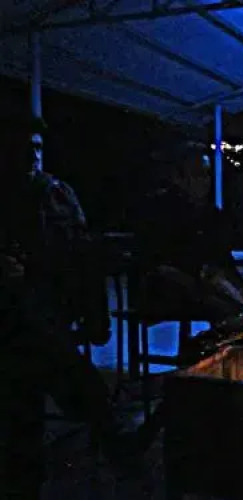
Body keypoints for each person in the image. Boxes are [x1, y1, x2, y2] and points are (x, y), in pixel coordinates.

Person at [0, 118, 144, 498]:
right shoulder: (24, 195)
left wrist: (91, 312)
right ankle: (111, 435)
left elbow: (79, 256)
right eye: (21, 147)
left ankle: (104, 432)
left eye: (35, 147)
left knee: (33, 357)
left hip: (41, 313)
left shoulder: (53, 194)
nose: (31, 155)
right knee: (36, 360)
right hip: (22, 320)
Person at [132, 141, 243, 357]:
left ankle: (216, 351)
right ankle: (206, 350)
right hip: (169, 286)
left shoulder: (212, 215)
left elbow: (222, 258)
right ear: (178, 178)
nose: (204, 182)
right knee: (224, 306)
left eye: (206, 175)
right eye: (197, 175)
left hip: (207, 285)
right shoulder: (160, 210)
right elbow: (153, 256)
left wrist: (242, 288)